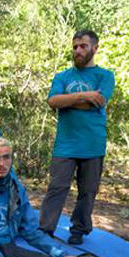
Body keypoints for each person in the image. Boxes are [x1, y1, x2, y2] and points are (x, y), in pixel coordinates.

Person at [39, 29, 115, 245]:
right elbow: (53, 101)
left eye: (83, 46)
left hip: (93, 144)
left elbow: (99, 100)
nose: (78, 50)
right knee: (57, 187)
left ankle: (78, 230)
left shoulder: (105, 76)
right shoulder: (62, 76)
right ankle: (45, 230)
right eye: (75, 47)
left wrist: (68, 100)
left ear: (95, 48)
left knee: (87, 191)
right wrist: (84, 95)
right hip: (65, 144)